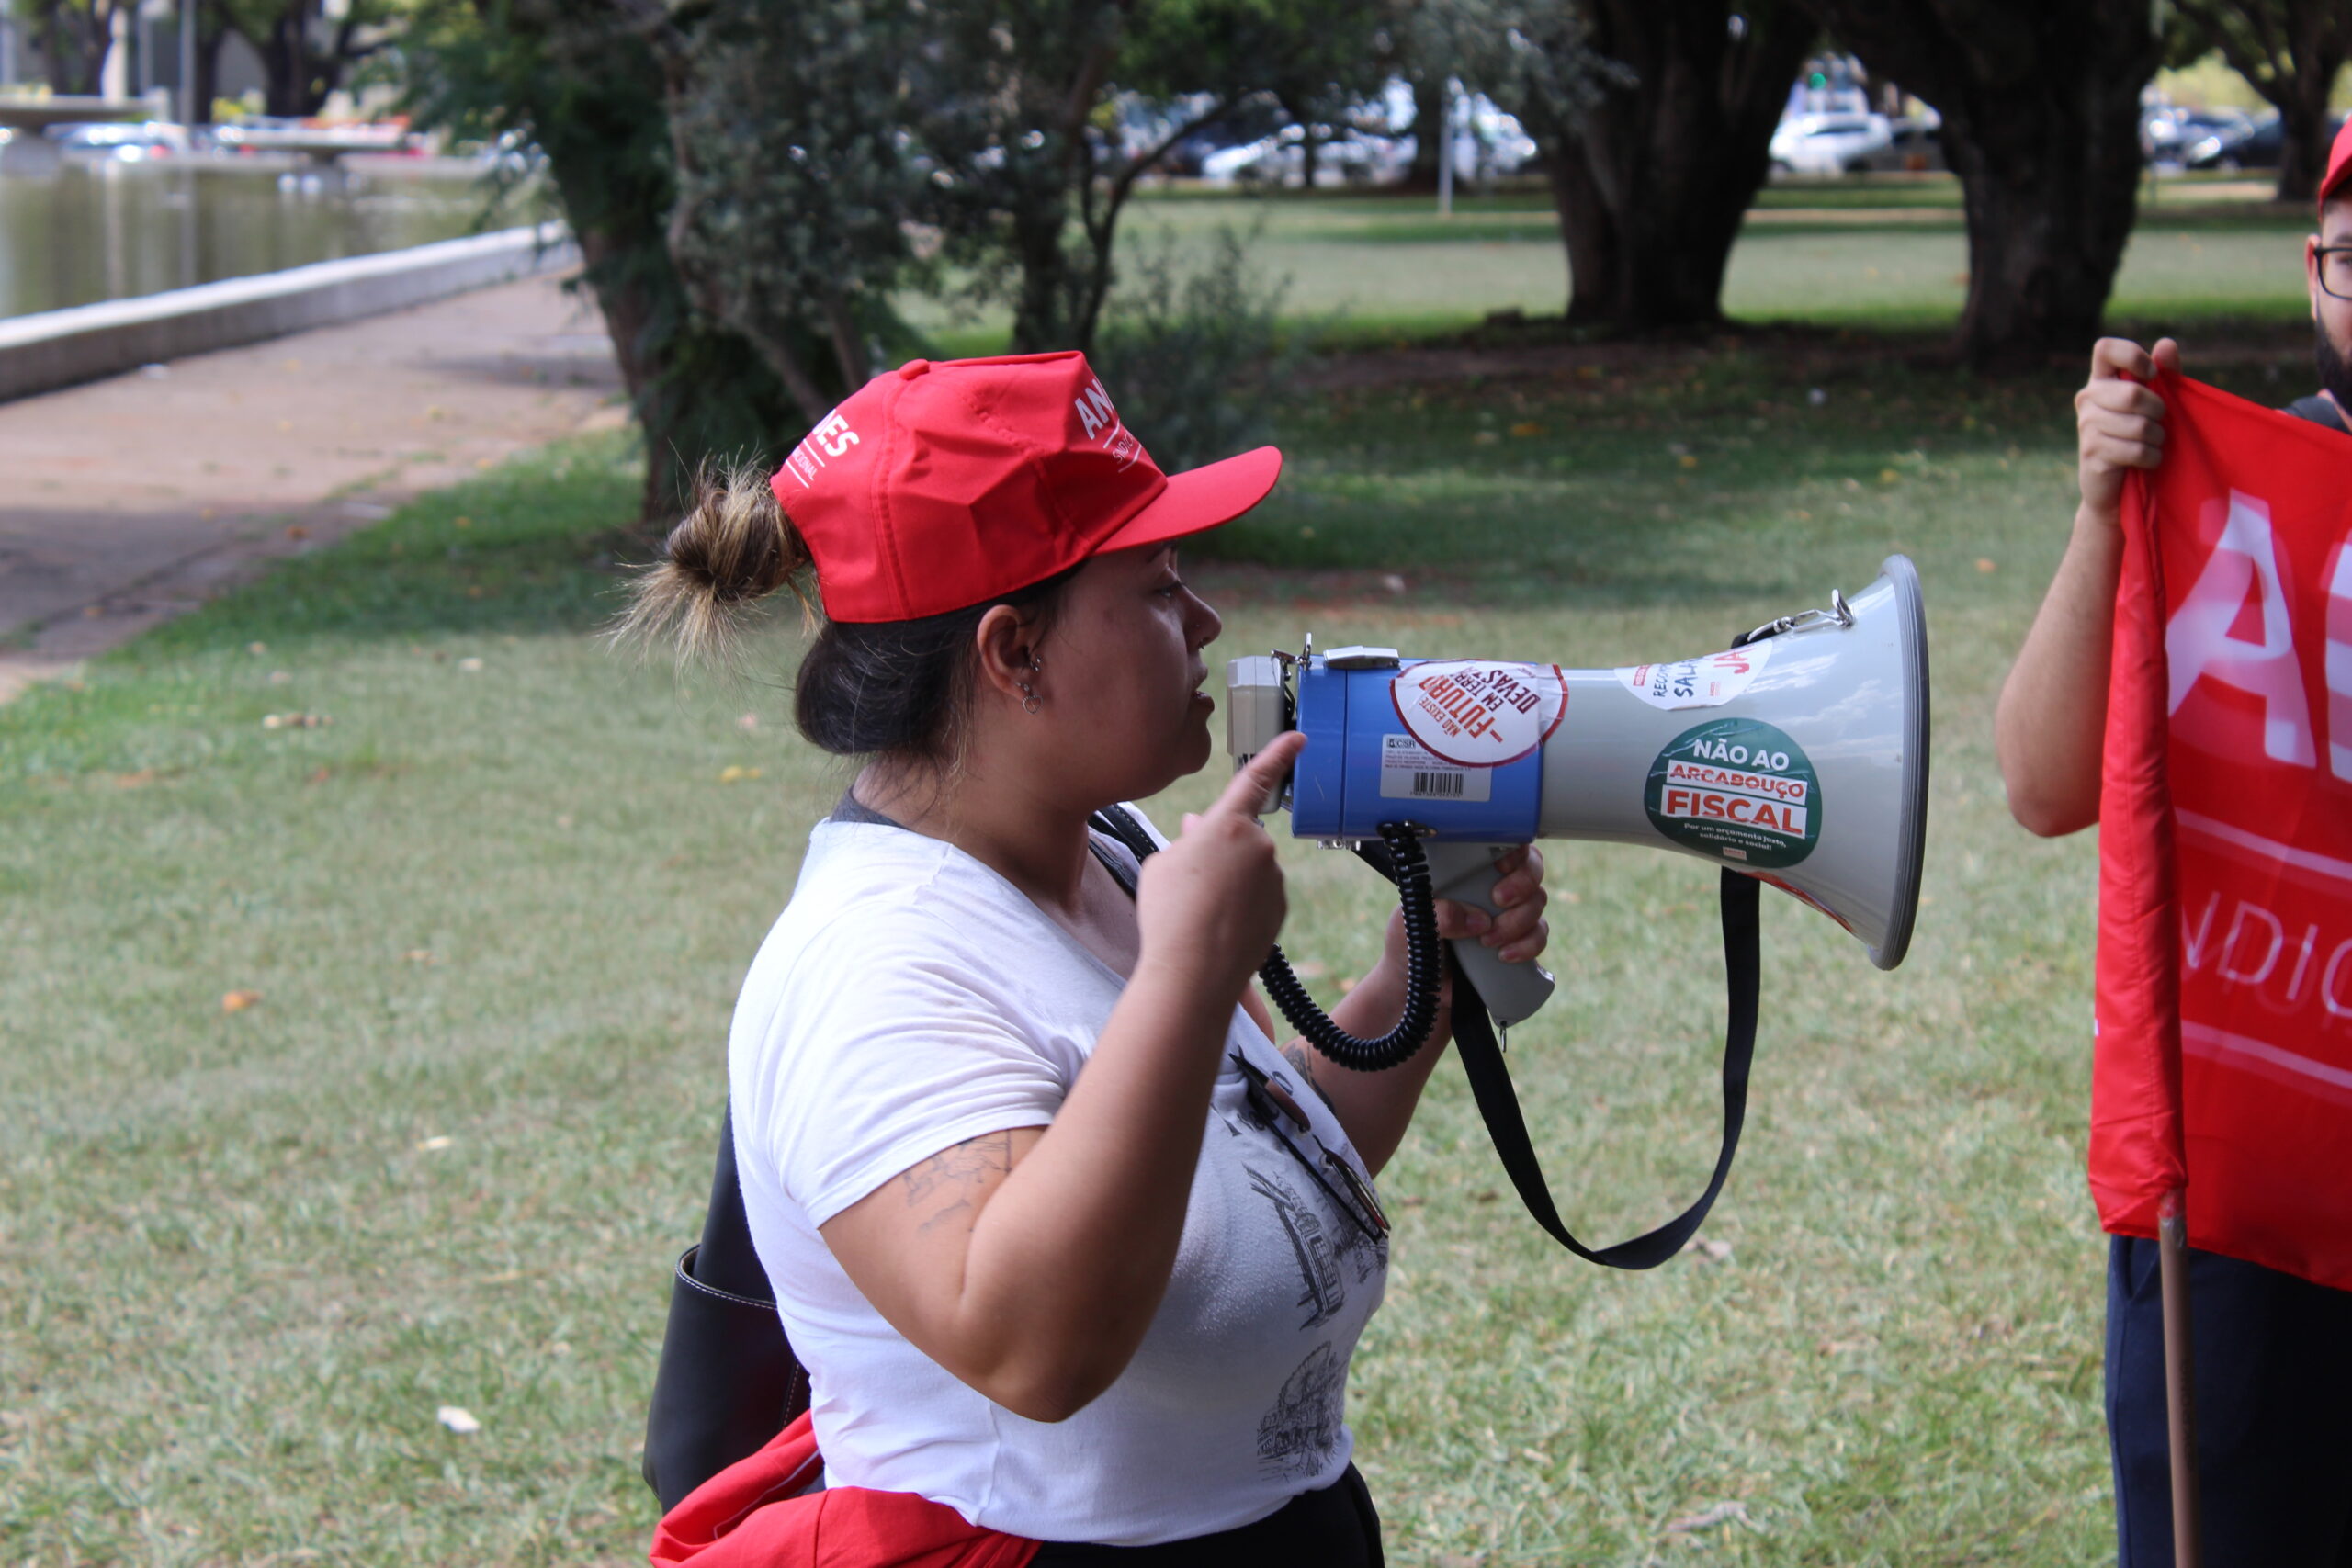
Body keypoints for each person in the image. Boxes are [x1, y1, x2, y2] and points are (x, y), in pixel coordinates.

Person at [622, 351, 1550, 1563]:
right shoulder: (876, 968)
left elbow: (1229, 1181)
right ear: (1014, 655)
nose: (1208, 622)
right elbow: (1029, 1348)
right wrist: (1187, 975)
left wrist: (1409, 986)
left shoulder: (1106, 847)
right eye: (1162, 587)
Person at [1994, 124, 2352, 1568]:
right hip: (2241, 1203)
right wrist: (2103, 514)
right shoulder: (2238, 500)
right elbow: (2040, 780)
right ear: (2314, 273)